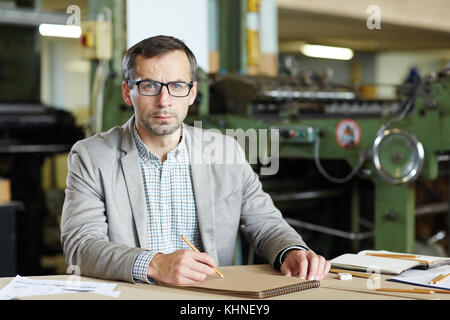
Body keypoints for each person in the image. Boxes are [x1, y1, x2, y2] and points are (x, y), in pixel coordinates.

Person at [60, 35, 330, 285]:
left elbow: (265, 223)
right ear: (127, 92)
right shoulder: (91, 156)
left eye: (177, 86)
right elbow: (80, 246)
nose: (164, 101)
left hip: (208, 298)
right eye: (149, 86)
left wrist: (291, 251)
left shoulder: (226, 152)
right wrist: (154, 265)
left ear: (191, 92)